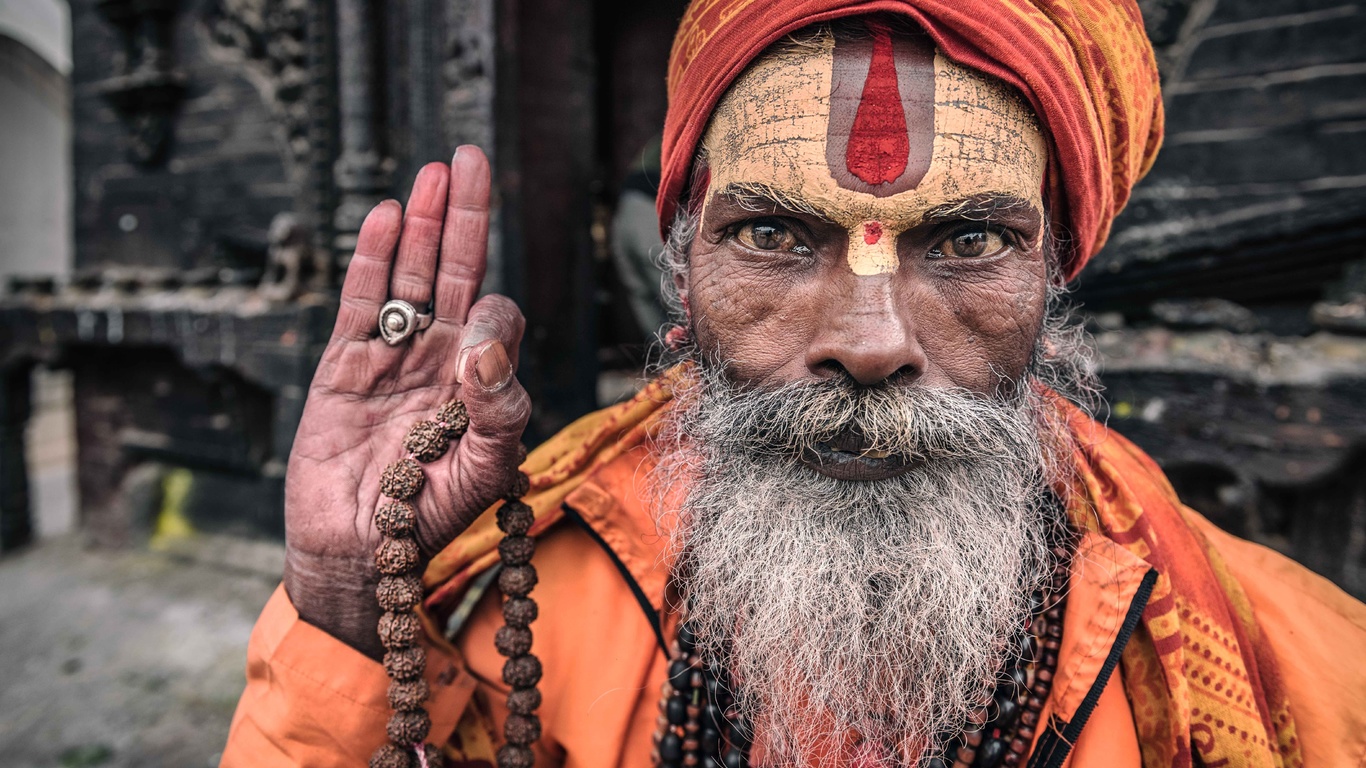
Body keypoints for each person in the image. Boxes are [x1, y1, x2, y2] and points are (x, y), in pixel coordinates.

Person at [222, 2, 1366, 767]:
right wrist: (341, 596)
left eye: (969, 243)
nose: (868, 342)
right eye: (772, 233)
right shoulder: (515, 606)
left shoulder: (1314, 675)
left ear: (1055, 287)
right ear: (680, 276)